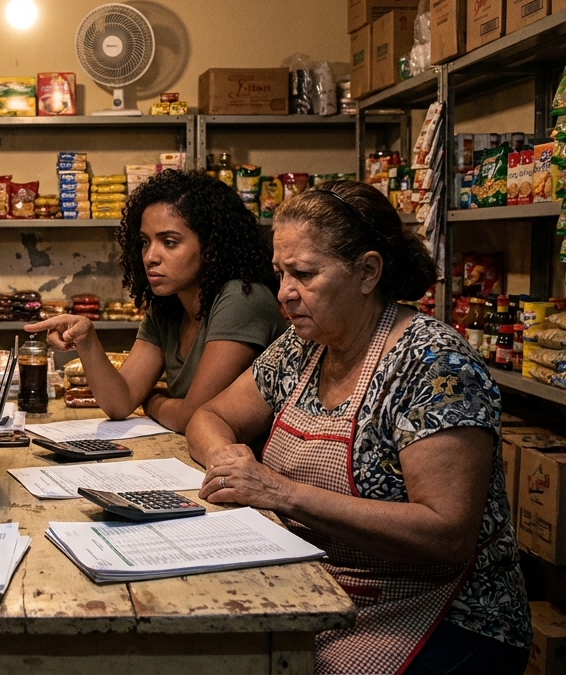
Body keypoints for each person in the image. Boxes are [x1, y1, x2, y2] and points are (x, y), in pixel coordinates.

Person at [186, 181, 531, 675]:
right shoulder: (304, 346)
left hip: (442, 614)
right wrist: (229, 462)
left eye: (304, 274)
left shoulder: (434, 365)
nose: (285, 293)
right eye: (280, 272)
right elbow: (209, 416)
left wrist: (281, 493)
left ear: (367, 272)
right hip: (324, 587)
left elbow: (447, 532)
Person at [26, 169, 285, 432]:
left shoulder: (242, 298)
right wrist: (87, 340)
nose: (150, 256)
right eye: (144, 242)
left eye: (169, 242)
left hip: (249, 465)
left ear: (210, 246)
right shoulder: (168, 304)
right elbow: (120, 402)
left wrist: (151, 399)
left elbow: (194, 417)